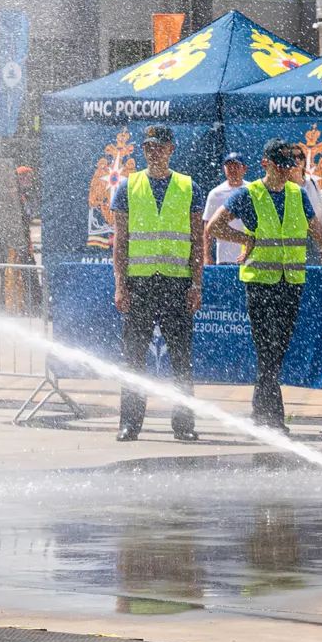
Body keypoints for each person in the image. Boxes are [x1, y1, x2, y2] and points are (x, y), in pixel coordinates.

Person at [205, 139, 322, 433]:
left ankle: (259, 411)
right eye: (279, 166)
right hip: (260, 285)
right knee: (266, 351)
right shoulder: (249, 193)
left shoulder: (298, 194)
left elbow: (321, 236)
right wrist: (246, 239)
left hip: (291, 284)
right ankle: (275, 421)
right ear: (265, 164)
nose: (284, 171)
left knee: (276, 352)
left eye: (288, 166)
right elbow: (213, 226)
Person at [110, 124, 203, 442]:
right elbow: (120, 241)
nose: (154, 152)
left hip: (177, 283)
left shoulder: (188, 186)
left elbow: (197, 240)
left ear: (171, 149)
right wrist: (120, 284)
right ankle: (130, 423)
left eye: (160, 146)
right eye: (149, 147)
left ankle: (184, 424)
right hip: (140, 283)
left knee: (181, 358)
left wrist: (197, 284)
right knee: (133, 357)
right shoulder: (128, 186)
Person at [203, 152, 250, 265]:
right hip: (225, 256)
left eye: (236, 167)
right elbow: (207, 228)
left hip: (250, 255)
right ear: (224, 169)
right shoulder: (215, 194)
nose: (232, 170)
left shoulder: (252, 190)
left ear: (244, 169)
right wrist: (207, 255)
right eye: (229, 167)